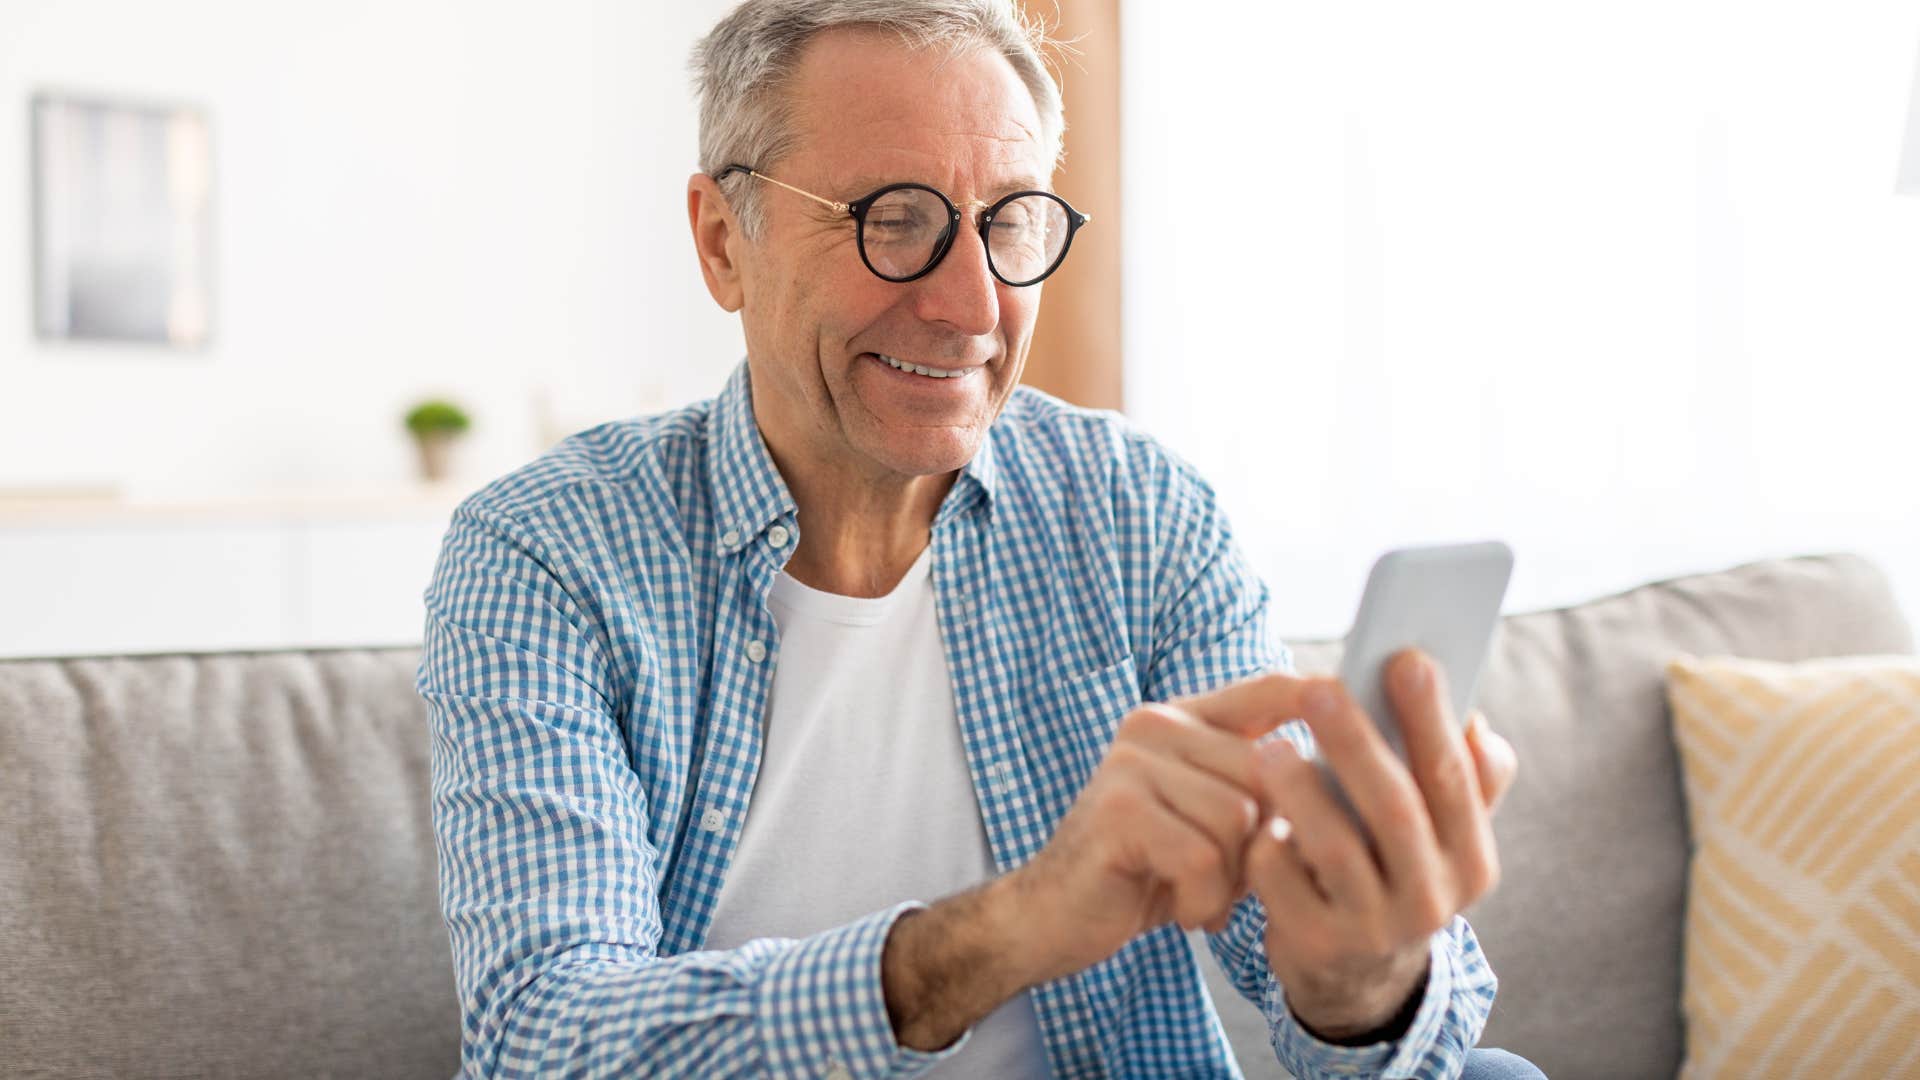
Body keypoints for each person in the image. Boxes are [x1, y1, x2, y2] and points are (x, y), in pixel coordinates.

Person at [417, 2, 1543, 1077]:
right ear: (724, 243)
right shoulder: (548, 552)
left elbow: (1360, 1017)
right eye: (893, 219)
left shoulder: (1137, 512)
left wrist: (1361, 979)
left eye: (1008, 222)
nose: (972, 305)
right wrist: (1018, 925)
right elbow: (546, 1041)